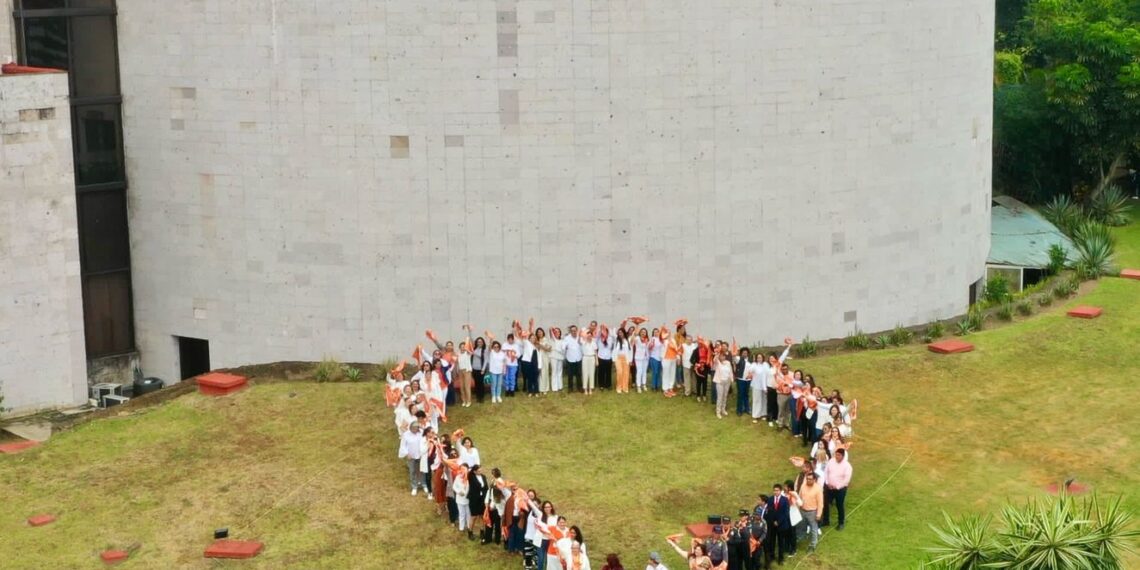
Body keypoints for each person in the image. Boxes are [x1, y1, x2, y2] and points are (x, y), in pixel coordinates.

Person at [822, 448, 852, 530]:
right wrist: (827, 482)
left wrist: (837, 486)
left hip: (840, 489)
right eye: (836, 454)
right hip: (829, 488)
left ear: (843, 456)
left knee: (839, 505)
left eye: (839, 455)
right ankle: (825, 521)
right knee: (825, 503)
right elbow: (826, 472)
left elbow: (846, 480)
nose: (837, 456)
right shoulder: (831, 461)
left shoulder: (847, 466)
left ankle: (841, 522)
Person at [764, 484, 791, 565]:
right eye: (774, 490)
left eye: (777, 490)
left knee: (780, 542)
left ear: (780, 491)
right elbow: (769, 512)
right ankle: (772, 556)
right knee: (772, 541)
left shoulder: (785, 500)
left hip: (781, 525)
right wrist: (773, 521)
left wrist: (778, 522)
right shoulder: (770, 499)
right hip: (772, 525)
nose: (775, 492)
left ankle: (780, 558)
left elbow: (785, 513)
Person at [398, 422, 426, 495]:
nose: (415, 430)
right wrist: (407, 453)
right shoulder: (406, 435)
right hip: (411, 456)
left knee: (422, 470)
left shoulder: (421, 433)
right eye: (413, 428)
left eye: (416, 428)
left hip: (420, 455)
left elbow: (427, 436)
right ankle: (414, 486)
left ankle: (424, 484)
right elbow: (403, 445)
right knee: (412, 471)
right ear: (410, 428)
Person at [799, 472, 823, 552]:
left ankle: (813, 544)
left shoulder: (818, 489)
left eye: (810, 479)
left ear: (814, 480)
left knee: (813, 528)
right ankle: (800, 537)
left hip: (812, 512)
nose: (808, 481)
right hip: (802, 510)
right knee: (801, 526)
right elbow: (799, 497)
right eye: (807, 479)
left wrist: (818, 514)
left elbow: (820, 503)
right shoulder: (803, 486)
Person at [712, 353, 733, 419]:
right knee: (720, 397)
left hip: (727, 382)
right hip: (720, 382)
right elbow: (714, 359)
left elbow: (730, 371)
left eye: (723, 356)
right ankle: (718, 412)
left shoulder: (728, 362)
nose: (722, 357)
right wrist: (718, 353)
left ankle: (723, 409)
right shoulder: (717, 362)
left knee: (725, 396)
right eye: (721, 356)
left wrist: (731, 379)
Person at [564, 325, 583, 392]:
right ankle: (570, 388)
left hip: (578, 358)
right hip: (570, 359)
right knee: (570, 374)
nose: (573, 332)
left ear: (576, 330)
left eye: (575, 330)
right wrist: (565, 347)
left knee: (579, 374)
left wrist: (580, 342)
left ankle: (579, 387)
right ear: (570, 331)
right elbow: (563, 346)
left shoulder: (580, 337)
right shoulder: (567, 338)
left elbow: (583, 345)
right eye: (572, 331)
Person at [733, 348, 751, 417]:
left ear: (748, 353)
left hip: (748, 380)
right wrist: (734, 354)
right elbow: (734, 358)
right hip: (740, 380)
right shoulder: (739, 359)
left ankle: (747, 409)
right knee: (740, 395)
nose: (745, 354)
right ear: (741, 353)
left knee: (746, 395)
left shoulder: (750, 360)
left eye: (746, 353)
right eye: (743, 353)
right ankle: (739, 410)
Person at [614, 328, 633, 394]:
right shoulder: (616, 340)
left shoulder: (627, 340)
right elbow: (614, 351)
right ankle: (619, 387)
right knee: (619, 372)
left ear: (624, 333)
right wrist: (614, 359)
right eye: (619, 333)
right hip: (618, 358)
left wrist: (630, 360)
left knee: (626, 373)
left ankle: (625, 387)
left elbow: (630, 351)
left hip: (626, 358)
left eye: (621, 332)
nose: (620, 334)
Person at [597, 326, 615, 391]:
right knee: (601, 372)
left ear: (608, 332)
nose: (604, 332)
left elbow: (614, 340)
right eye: (603, 331)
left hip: (608, 357)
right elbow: (597, 334)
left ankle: (608, 385)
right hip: (601, 357)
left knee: (608, 372)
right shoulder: (599, 338)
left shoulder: (610, 338)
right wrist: (601, 328)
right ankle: (601, 385)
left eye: (606, 331)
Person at [503, 332, 521, 397]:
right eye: (509, 339)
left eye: (511, 339)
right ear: (507, 339)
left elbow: (519, 355)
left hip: (513, 364)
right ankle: (507, 390)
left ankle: (512, 390)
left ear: (513, 339)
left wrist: (514, 355)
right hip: (506, 364)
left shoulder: (516, 346)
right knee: (506, 377)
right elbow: (502, 353)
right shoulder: (504, 345)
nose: (510, 340)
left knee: (512, 377)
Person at [471, 336, 488, 403]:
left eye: (481, 341)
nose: (479, 343)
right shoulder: (474, 349)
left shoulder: (484, 350)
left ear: (483, 343)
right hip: (474, 369)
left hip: (481, 370)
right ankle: (478, 396)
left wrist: (483, 369)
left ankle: (481, 397)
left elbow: (486, 360)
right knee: (476, 383)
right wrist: (470, 331)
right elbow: (471, 339)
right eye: (478, 341)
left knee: (481, 383)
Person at [582, 330, 598, 395]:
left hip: (592, 358)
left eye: (590, 336)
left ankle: (590, 388)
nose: (589, 337)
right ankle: (585, 389)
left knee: (591, 373)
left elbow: (596, 352)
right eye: (588, 336)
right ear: (586, 336)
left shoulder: (594, 343)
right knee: (585, 373)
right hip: (585, 358)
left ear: (592, 336)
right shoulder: (583, 342)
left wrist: (597, 361)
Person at [550, 327, 566, 392]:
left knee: (559, 372)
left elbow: (564, 349)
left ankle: (560, 386)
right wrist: (553, 329)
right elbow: (550, 329)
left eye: (558, 332)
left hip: (560, 357)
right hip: (554, 357)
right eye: (555, 332)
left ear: (560, 333)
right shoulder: (553, 339)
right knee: (554, 372)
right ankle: (554, 387)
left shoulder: (562, 340)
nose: (557, 333)